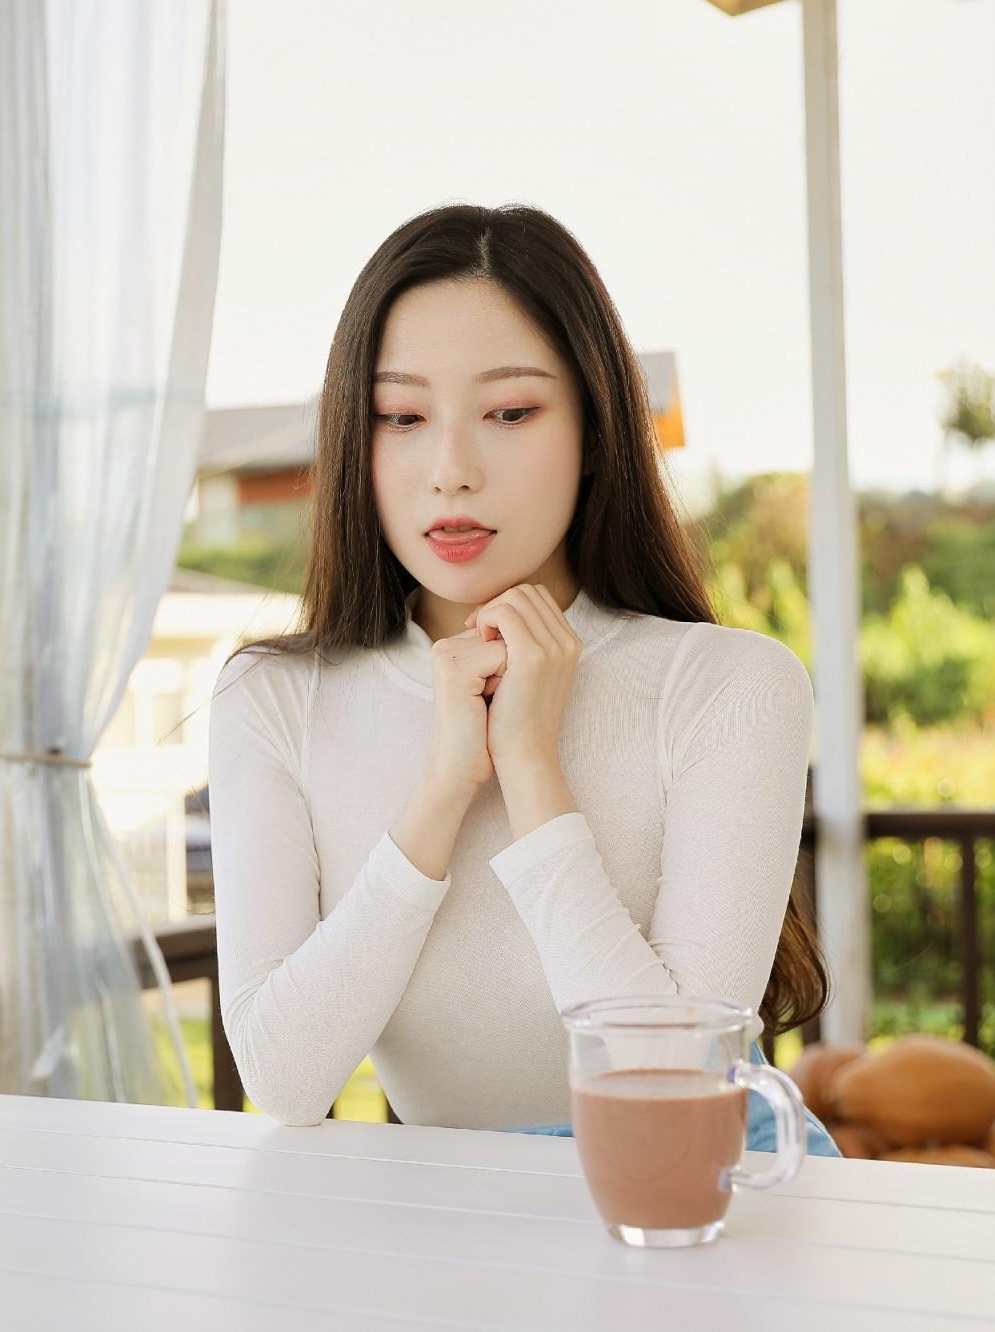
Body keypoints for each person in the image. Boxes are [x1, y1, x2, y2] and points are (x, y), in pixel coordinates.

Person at [205, 202, 838, 1154]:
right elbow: (285, 1080)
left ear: (596, 430)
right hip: (445, 1222)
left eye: (509, 412)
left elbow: (671, 1088)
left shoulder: (729, 684)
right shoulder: (273, 699)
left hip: (686, 1205)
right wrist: (443, 785)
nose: (451, 469)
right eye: (401, 416)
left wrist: (534, 771)